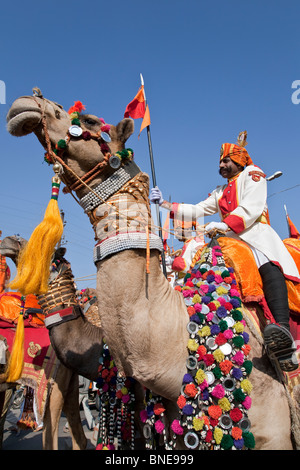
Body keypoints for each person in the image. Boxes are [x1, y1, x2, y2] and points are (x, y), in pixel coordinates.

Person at [150, 132, 300, 372]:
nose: (221, 165)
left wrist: (225, 224)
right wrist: (164, 204)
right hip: (229, 238)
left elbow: (251, 208)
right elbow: (198, 208)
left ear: (239, 161)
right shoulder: (220, 191)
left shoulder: (254, 175)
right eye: (220, 161)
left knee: (265, 260)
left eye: (225, 161)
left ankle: (282, 333)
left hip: (255, 236)